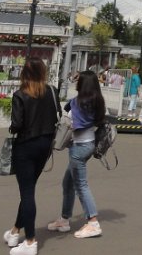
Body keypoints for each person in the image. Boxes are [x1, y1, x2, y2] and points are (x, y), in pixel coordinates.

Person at [4, 57, 60, 255]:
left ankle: (30, 241)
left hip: (26, 145)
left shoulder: (20, 95)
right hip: (45, 145)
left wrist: (11, 126)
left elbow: (17, 124)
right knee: (28, 189)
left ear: (24, 73)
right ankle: (14, 231)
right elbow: (58, 115)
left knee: (27, 192)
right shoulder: (52, 91)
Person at [47, 70, 104, 239]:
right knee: (68, 183)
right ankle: (64, 219)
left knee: (81, 185)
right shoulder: (97, 100)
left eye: (78, 80)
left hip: (79, 147)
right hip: (89, 144)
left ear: (83, 84)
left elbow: (73, 123)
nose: (76, 82)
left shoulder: (78, 102)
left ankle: (93, 222)